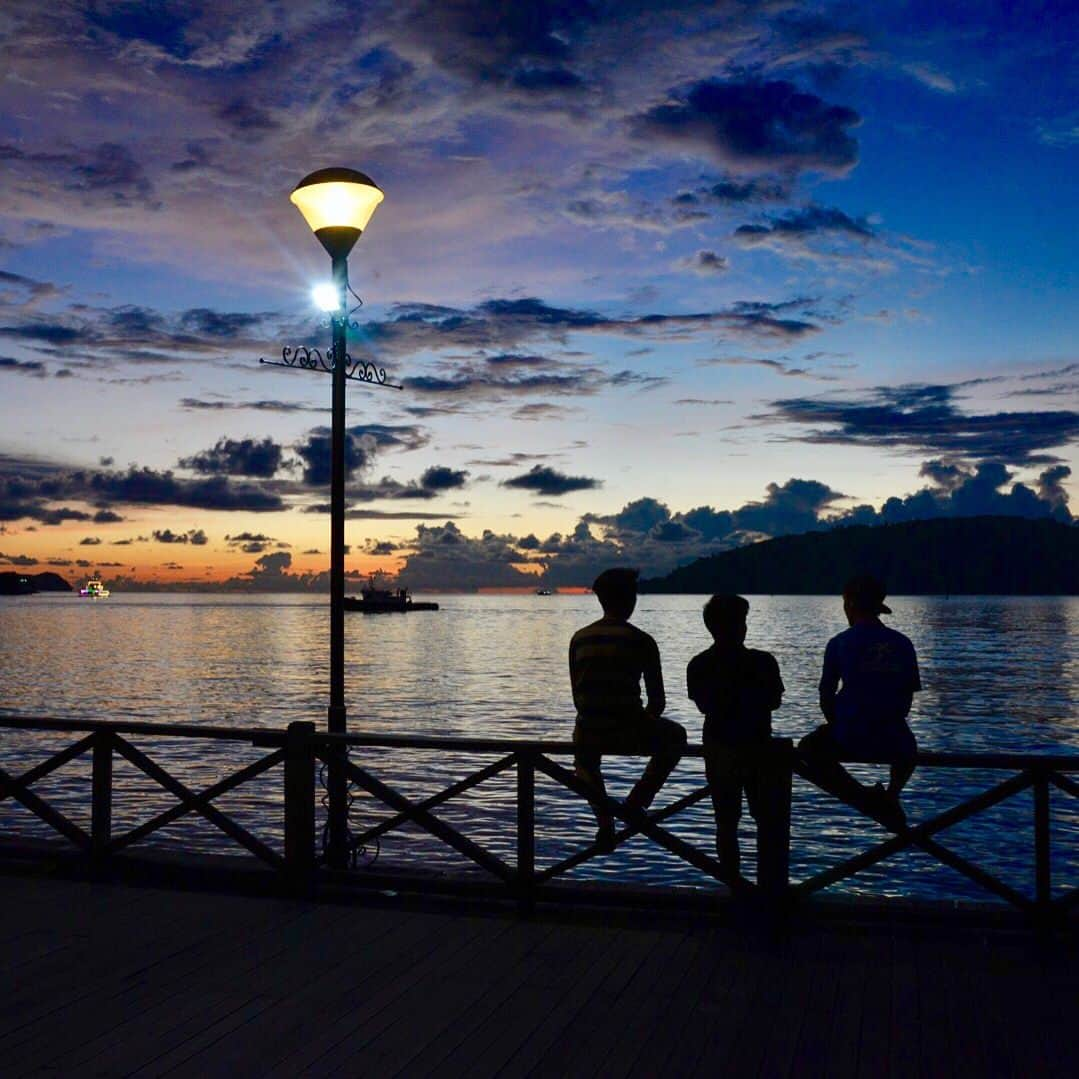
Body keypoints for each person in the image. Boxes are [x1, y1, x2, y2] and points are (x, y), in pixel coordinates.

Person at [569, 568, 687, 849]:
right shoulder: (642, 640)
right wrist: (640, 721)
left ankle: (604, 823)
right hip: (629, 726)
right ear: (630, 599)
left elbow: (578, 694)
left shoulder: (579, 638)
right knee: (677, 736)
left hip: (589, 730)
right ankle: (636, 803)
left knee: (584, 761)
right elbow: (657, 701)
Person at [799, 574, 921, 831]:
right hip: (895, 736)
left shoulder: (840, 643)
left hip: (851, 733)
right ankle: (892, 794)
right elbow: (906, 699)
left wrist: (840, 725)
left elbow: (825, 697)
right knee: (909, 749)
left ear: (850, 605)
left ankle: (863, 798)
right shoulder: (903, 643)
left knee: (808, 749)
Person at [687, 594, 784, 883]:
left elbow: (705, 706)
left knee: (726, 823)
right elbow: (774, 701)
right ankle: (767, 889)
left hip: (719, 748)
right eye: (741, 621)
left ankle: (734, 887)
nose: (743, 627)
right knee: (766, 821)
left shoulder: (699, 665)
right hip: (759, 749)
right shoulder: (763, 662)